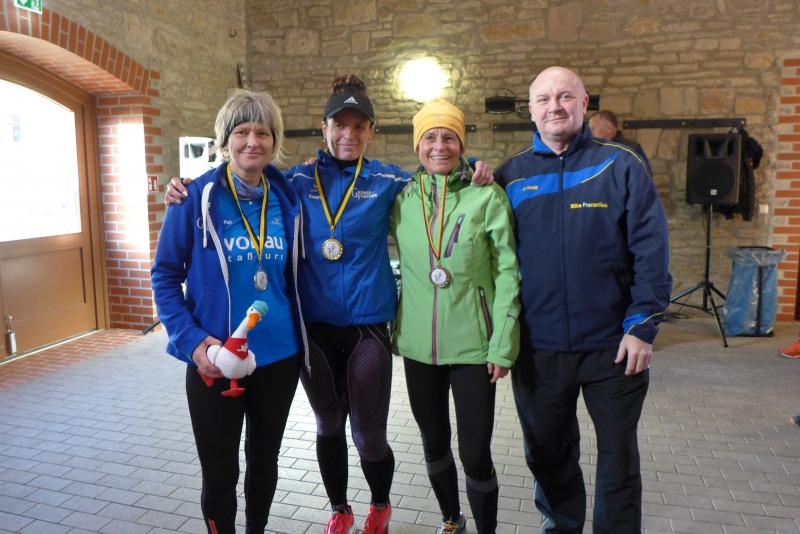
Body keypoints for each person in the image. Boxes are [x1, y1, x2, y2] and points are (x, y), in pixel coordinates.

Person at [163, 75, 493, 534]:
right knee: (328, 424)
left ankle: (380, 505)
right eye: (339, 124)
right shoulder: (293, 182)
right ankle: (340, 509)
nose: (348, 134)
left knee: (369, 435)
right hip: (311, 330)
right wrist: (185, 185)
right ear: (324, 128)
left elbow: (434, 173)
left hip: (364, 329)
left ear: (371, 131)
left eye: (359, 126)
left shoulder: (387, 181)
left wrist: (471, 165)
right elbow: (237, 180)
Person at [495, 66, 672, 533]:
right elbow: (494, 260)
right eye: (544, 99)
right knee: (547, 454)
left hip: (613, 347)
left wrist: (642, 327)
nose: (555, 106)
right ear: (531, 110)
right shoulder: (511, 175)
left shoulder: (621, 164)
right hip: (539, 348)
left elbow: (651, 249)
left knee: (618, 456)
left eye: (565, 96)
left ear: (585, 103)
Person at [151, 90, 306, 534]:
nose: (252, 141)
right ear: (224, 141)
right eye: (241, 132)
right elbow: (164, 275)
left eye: (263, 132)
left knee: (264, 461)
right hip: (215, 357)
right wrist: (193, 342)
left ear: (275, 141)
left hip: (278, 355)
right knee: (220, 472)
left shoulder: (288, 197)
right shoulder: (193, 198)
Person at [391, 99, 520, 534]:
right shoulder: (403, 199)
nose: (439, 146)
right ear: (417, 145)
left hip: (474, 347)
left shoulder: (488, 196)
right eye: (430, 137)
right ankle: (451, 519)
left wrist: (502, 344)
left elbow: (508, 273)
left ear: (462, 145)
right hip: (418, 348)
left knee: (475, 454)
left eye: (449, 137)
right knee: (433, 443)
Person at [589, 109, 652, 176]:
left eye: (592, 128)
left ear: (608, 128)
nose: (589, 132)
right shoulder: (590, 151)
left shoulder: (632, 150)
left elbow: (644, 178)